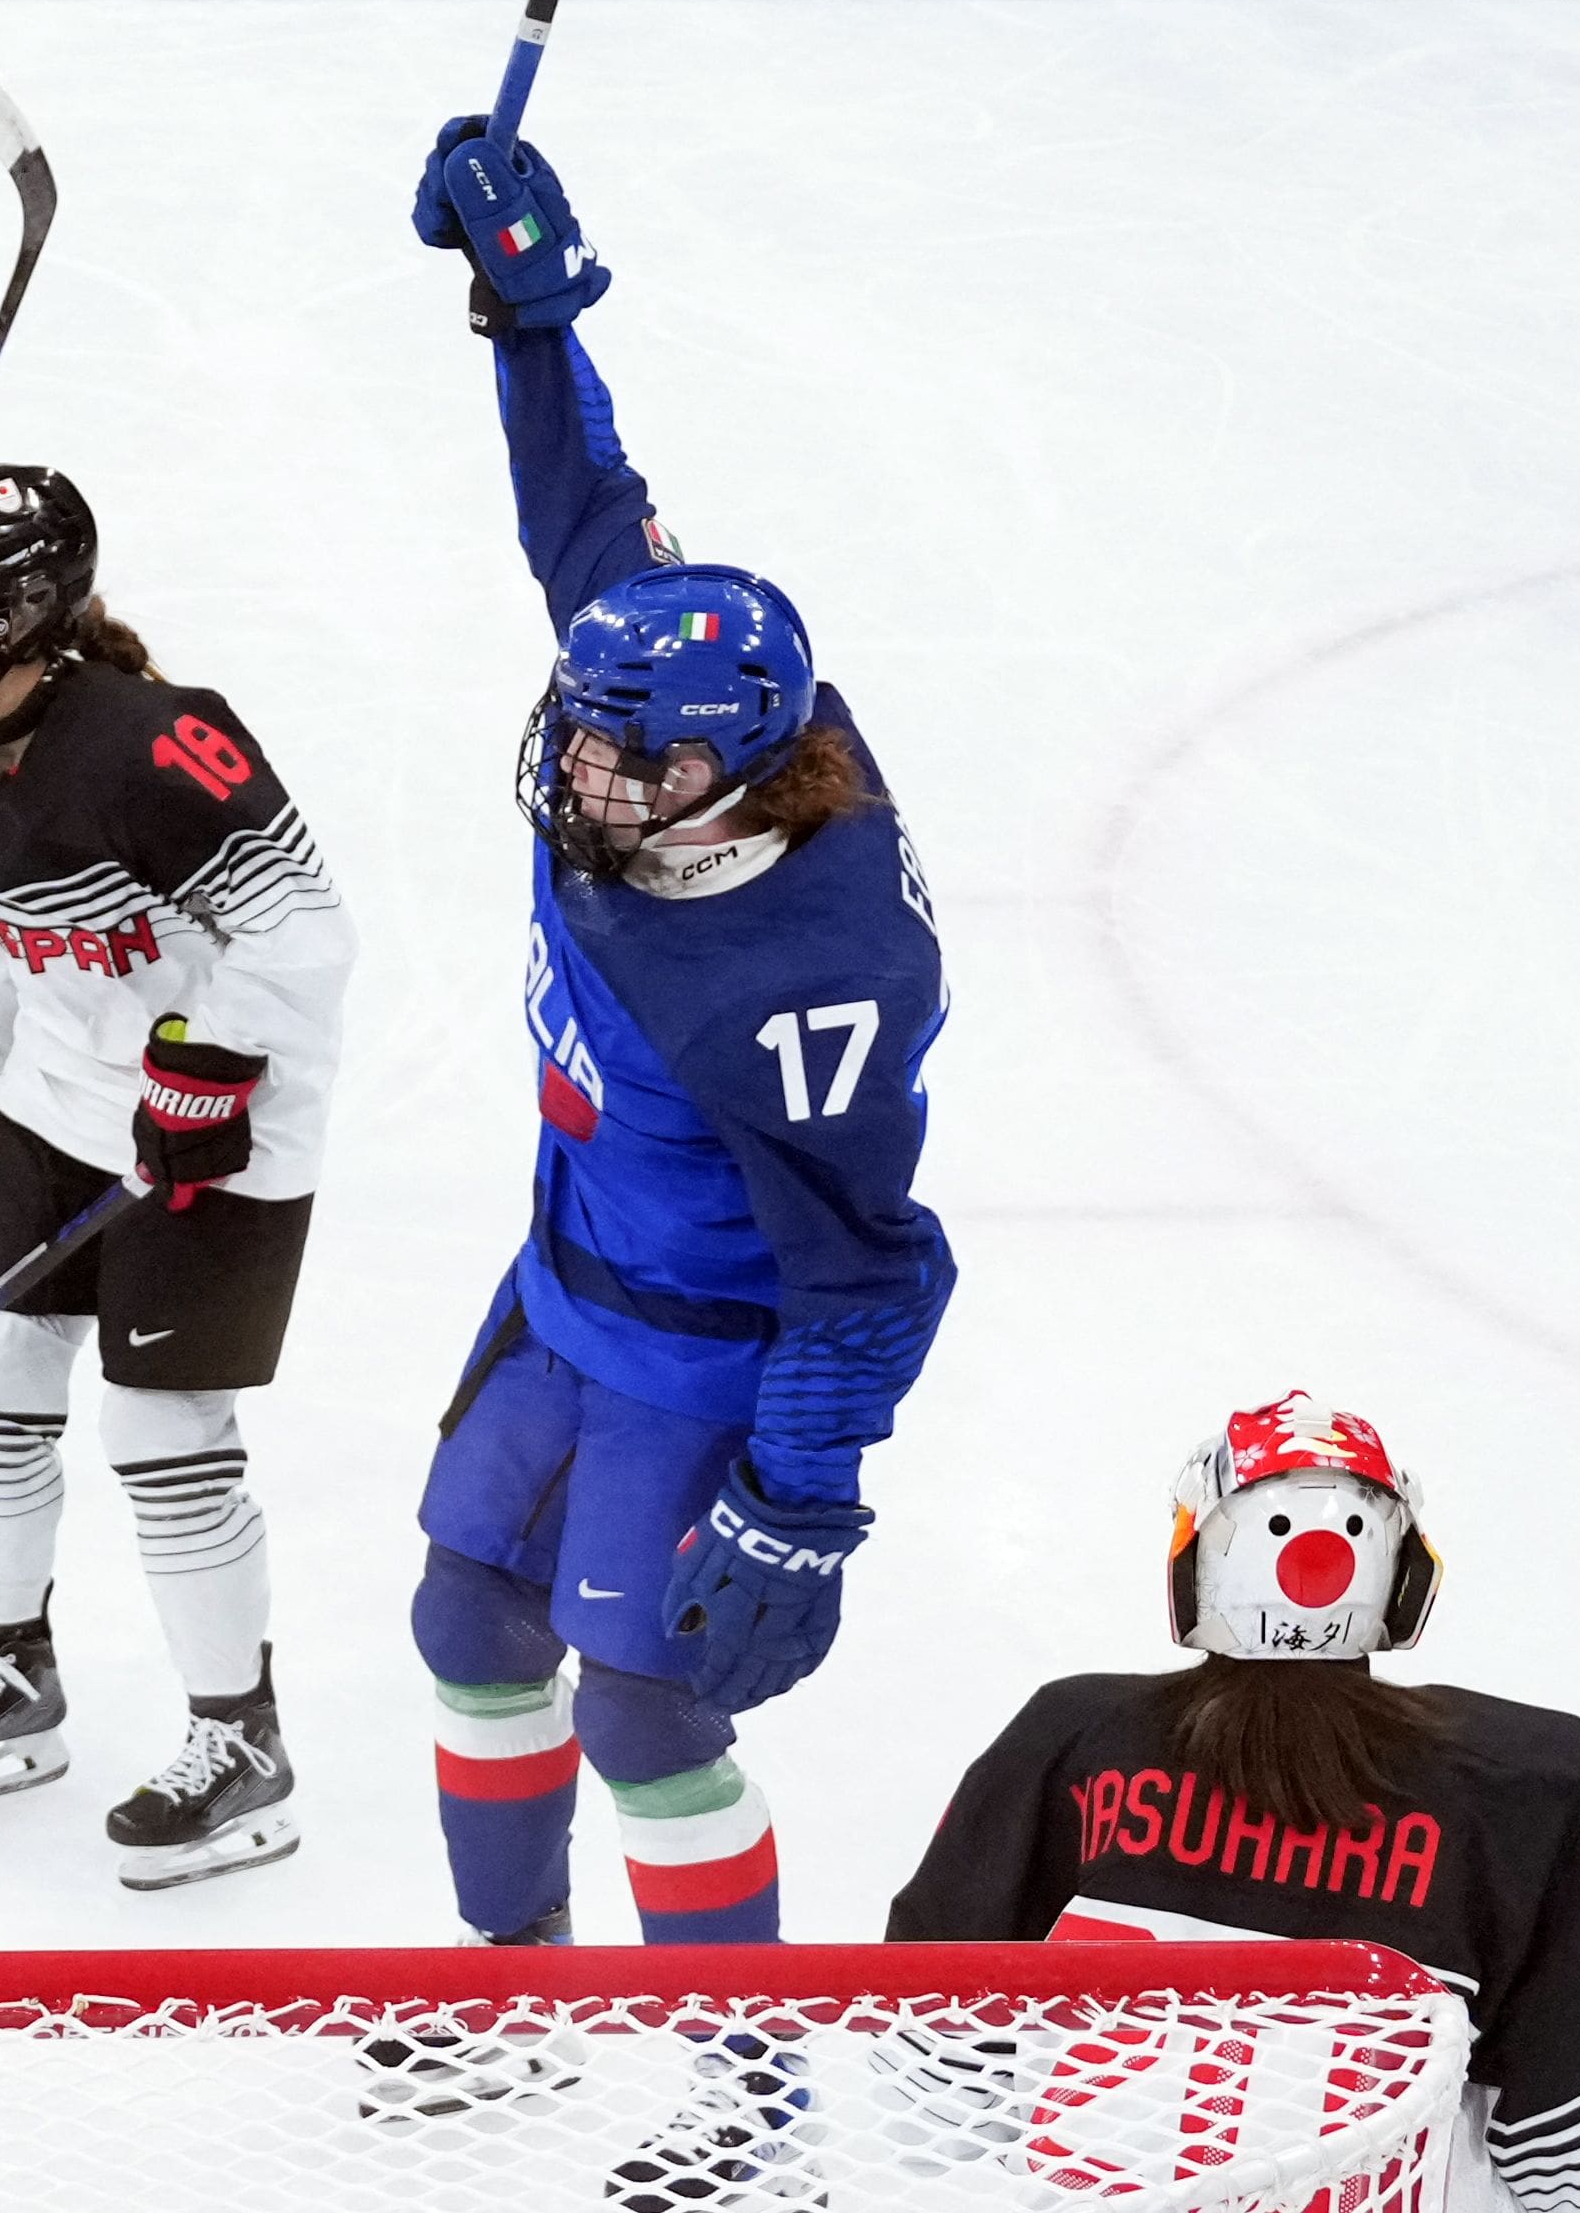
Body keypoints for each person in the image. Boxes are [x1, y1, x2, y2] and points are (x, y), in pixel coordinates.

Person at [397, 121, 952, 1953]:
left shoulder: (798, 979)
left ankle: (742, 2075)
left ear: (731, 776)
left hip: (697, 1363)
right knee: (466, 1622)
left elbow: (871, 1272)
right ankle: (512, 1990)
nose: (583, 775)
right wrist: (531, 317)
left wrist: (800, 1500)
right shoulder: (683, 728)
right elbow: (588, 517)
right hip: (562, 1288)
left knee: (647, 1717)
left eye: (628, 757)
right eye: (578, 733)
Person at [886, 1392, 1580, 2213]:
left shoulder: (1066, 1739)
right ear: (1402, 1578)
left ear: (1192, 1566)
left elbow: (931, 2077)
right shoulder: (1532, 1784)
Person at [0, 465, 355, 1892]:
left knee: (161, 1429)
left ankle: (241, 1739)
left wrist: (215, 1060)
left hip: (227, 1135)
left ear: (29, 611)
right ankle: (12, 1675)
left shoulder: (158, 742)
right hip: (62, 1106)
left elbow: (305, 933)